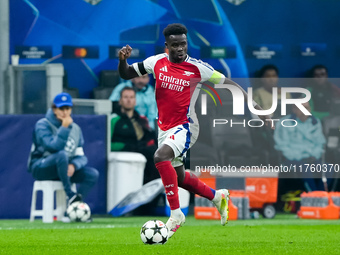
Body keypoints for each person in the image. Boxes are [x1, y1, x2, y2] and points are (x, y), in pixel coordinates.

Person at [118, 23, 271, 238]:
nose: (180, 49)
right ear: (167, 46)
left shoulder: (198, 68)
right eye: (175, 45)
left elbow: (231, 86)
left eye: (183, 44)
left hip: (186, 125)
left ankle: (175, 214)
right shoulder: (156, 62)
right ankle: (218, 197)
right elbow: (126, 74)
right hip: (164, 127)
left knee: (160, 157)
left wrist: (258, 109)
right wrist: (122, 60)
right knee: (178, 177)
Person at [28, 92, 99, 210]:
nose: (65, 112)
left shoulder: (76, 128)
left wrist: (74, 165)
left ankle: (74, 207)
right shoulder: (42, 125)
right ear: (54, 109)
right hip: (41, 167)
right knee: (62, 155)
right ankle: (70, 195)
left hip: (64, 170)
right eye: (61, 108)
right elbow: (53, 147)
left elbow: (81, 156)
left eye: (67, 108)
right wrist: (64, 128)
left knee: (92, 174)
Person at [274, 102, 331, 191]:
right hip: (293, 159)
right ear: (294, 109)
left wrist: (313, 156)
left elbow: (320, 144)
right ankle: (313, 196)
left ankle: (321, 194)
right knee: (304, 168)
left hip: (312, 158)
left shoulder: (315, 122)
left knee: (328, 168)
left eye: (307, 108)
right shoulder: (284, 123)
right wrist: (301, 157)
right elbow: (282, 146)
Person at [111, 86, 160, 184]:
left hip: (144, 151)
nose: (129, 100)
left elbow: (150, 137)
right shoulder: (113, 120)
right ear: (120, 101)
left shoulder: (142, 119)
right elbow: (108, 144)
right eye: (125, 97)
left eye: (131, 97)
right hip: (126, 151)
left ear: (135, 101)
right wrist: (126, 146)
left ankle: (156, 190)